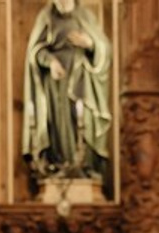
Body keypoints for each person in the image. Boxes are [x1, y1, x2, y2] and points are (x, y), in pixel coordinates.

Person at [22, 0, 113, 183]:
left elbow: (104, 49)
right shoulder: (46, 16)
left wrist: (89, 44)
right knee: (60, 123)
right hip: (55, 84)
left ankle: (83, 165)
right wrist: (51, 62)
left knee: (80, 120)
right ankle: (59, 165)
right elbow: (35, 52)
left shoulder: (86, 16)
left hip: (81, 80)